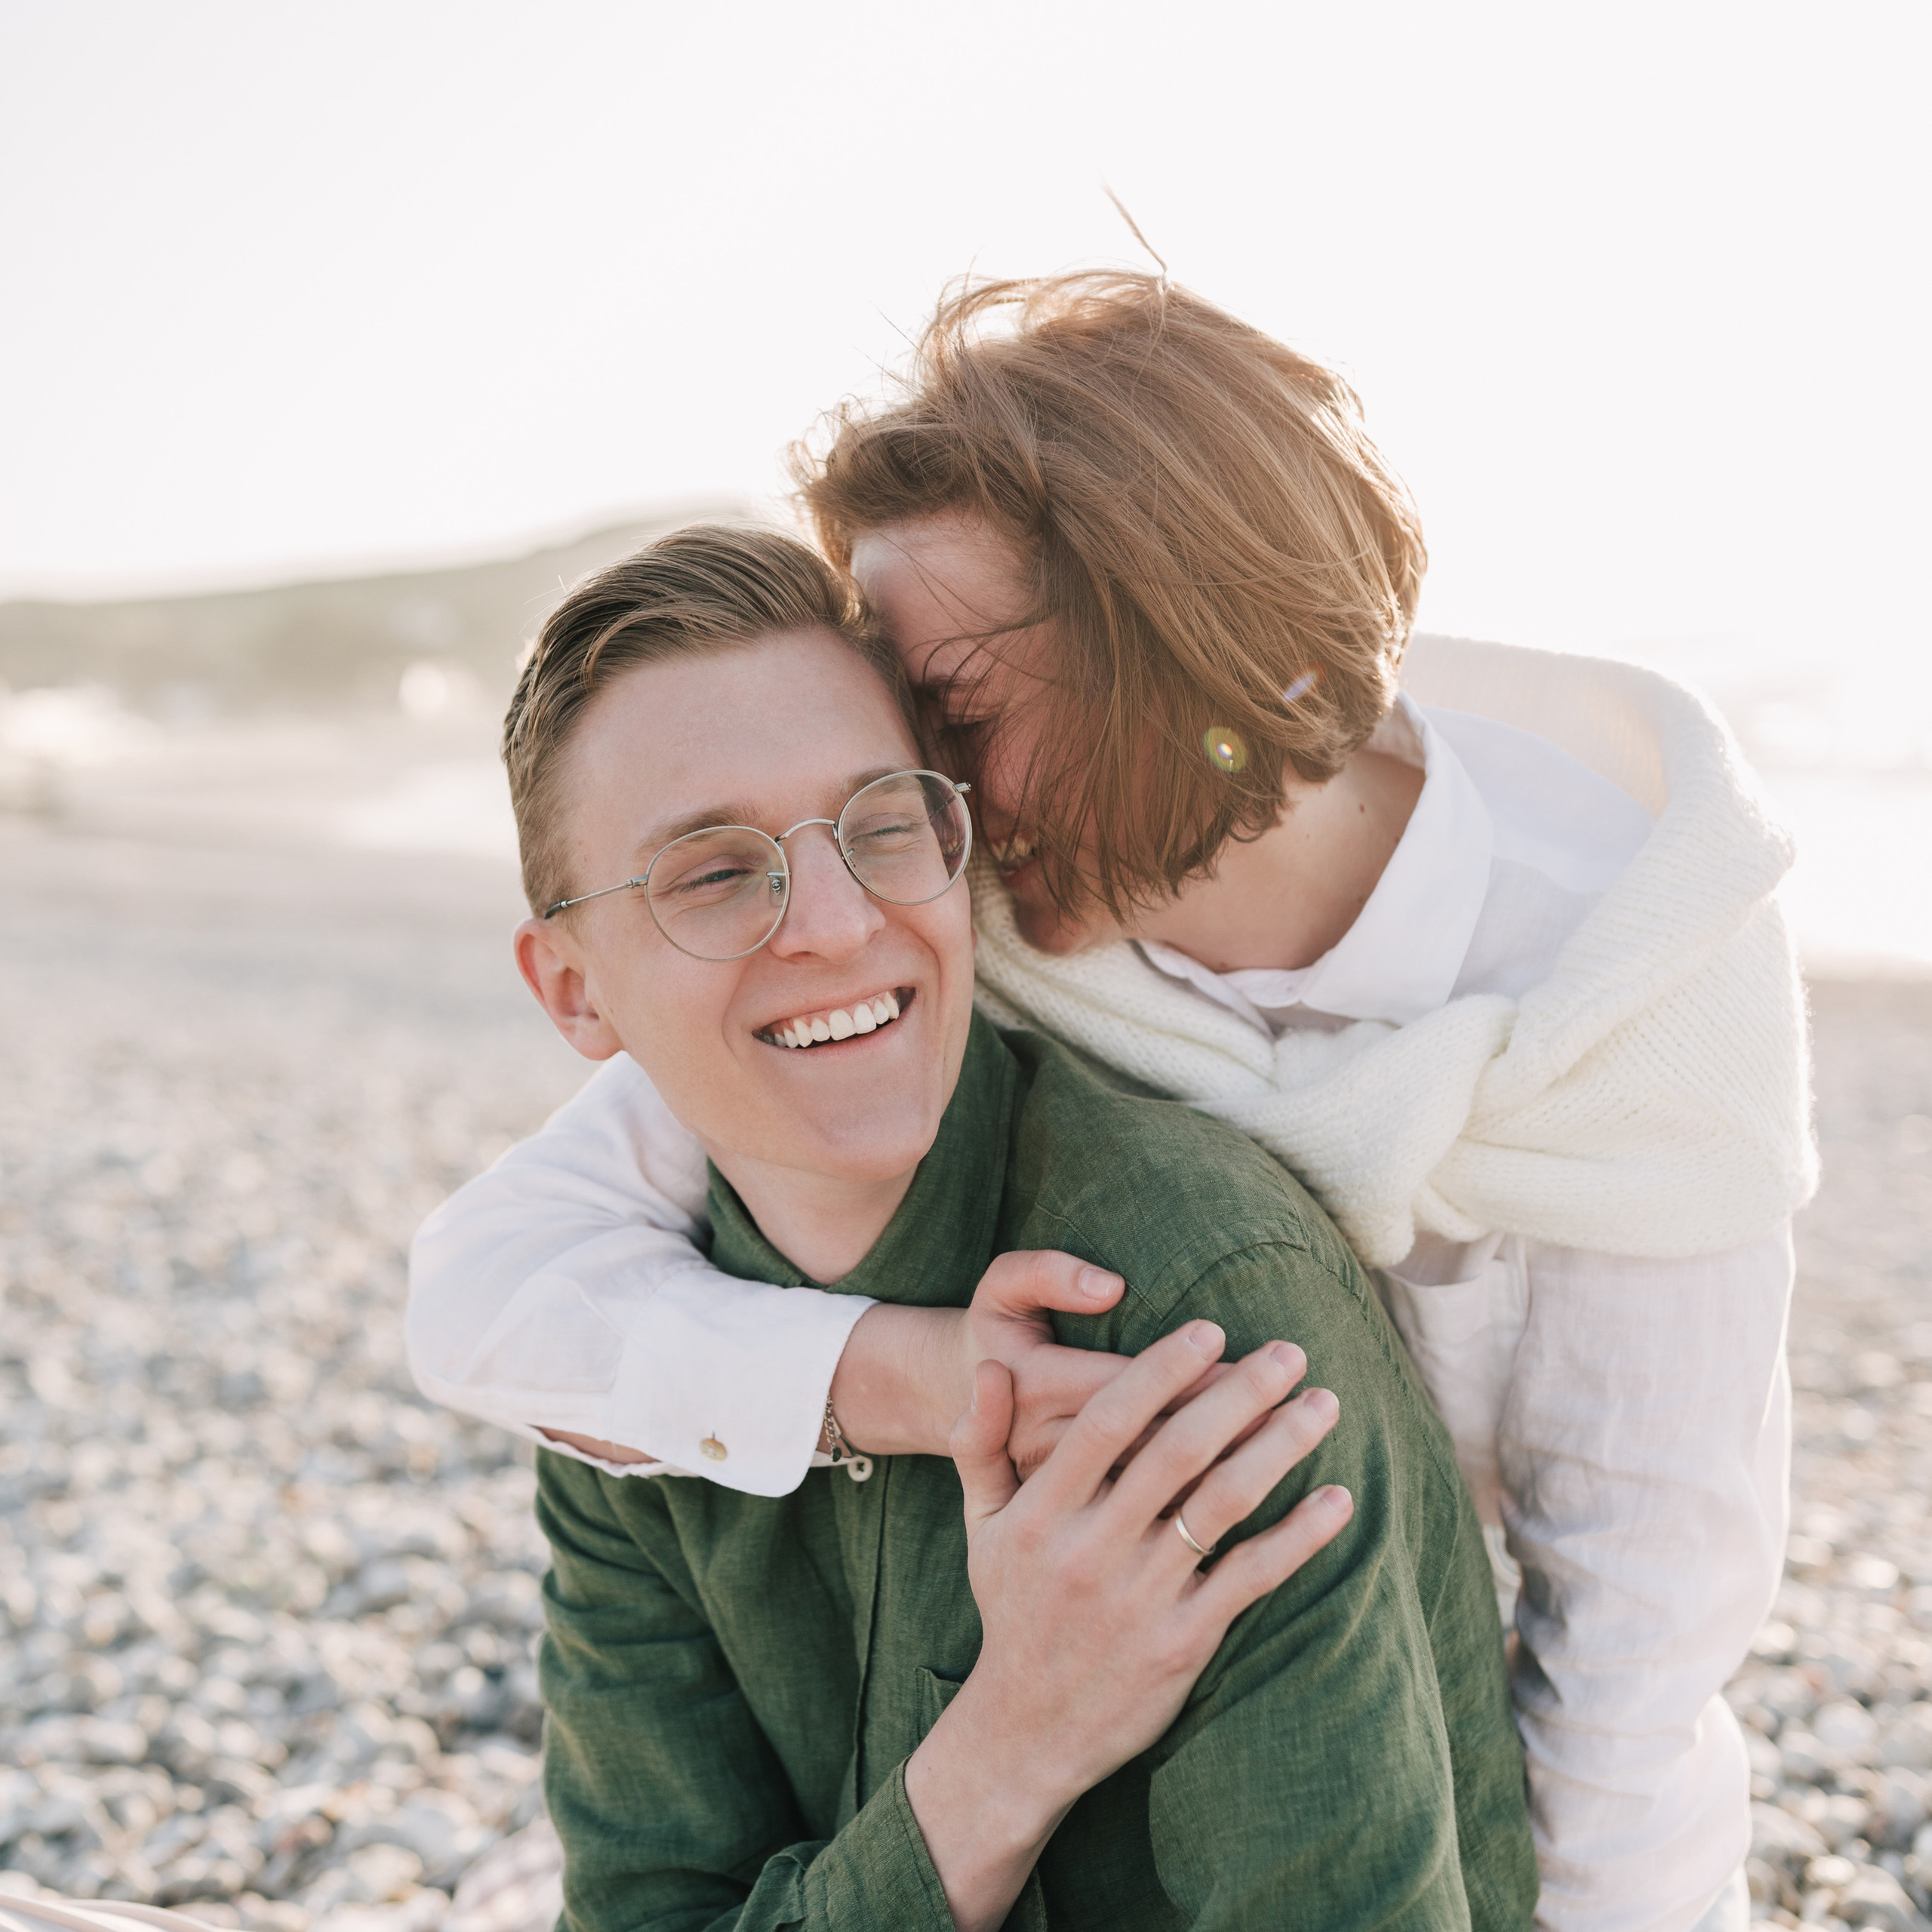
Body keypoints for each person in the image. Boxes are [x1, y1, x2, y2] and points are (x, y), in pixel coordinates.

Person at [409, 273, 1814, 1931]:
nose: (904, 816)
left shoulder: (1638, 995)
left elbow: (1636, 1645)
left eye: (959, 716)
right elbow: (503, 1283)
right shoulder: (962, 885)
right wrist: (918, 1381)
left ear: (1181, 651)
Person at [493, 523, 1536, 1927]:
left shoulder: (1191, 1319)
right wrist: (1010, 1747)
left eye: (877, 825)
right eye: (715, 873)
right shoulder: (624, 1375)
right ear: (573, 993)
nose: (836, 924)